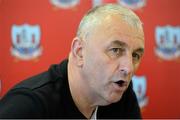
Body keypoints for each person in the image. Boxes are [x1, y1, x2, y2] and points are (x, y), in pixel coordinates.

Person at [0, 3, 145, 119]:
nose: (129, 68)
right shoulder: (26, 107)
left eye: (135, 55)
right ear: (79, 52)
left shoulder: (121, 94)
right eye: (115, 50)